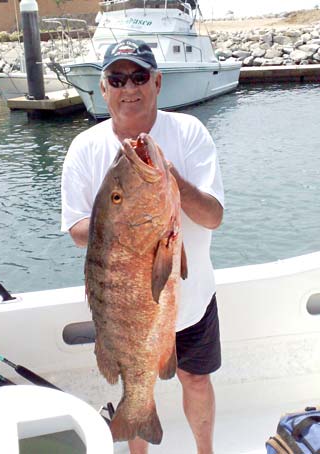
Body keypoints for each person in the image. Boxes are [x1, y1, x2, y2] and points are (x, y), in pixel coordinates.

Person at [61, 38, 224, 454]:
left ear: (157, 83)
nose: (128, 87)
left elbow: (213, 216)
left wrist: (171, 182)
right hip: (124, 306)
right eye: (117, 78)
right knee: (137, 381)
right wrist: (121, 222)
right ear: (103, 88)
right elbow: (76, 226)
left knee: (196, 379)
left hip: (192, 301)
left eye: (139, 77)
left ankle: (206, 451)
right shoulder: (84, 148)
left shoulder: (189, 132)